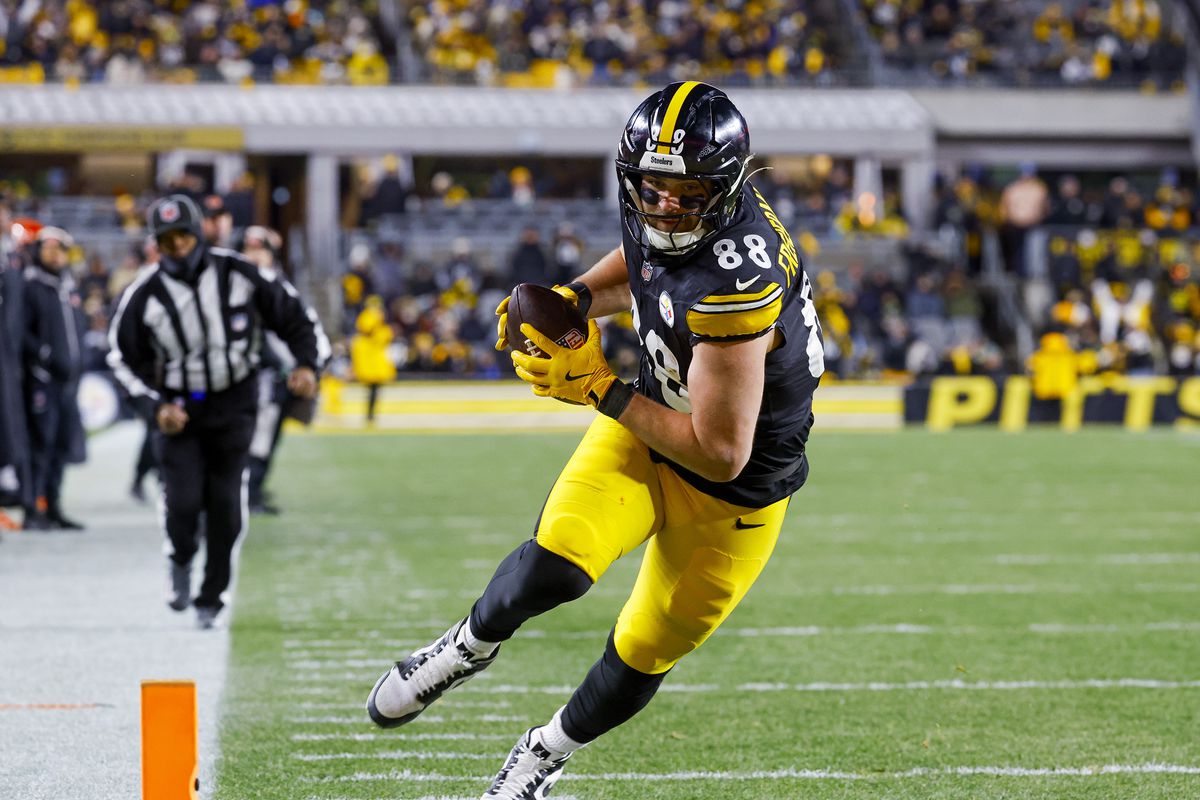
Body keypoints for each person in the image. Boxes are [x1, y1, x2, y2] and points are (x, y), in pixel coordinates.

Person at [366, 81, 825, 798]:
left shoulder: (741, 282)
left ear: (726, 190)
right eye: (653, 188)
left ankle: (543, 753)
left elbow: (718, 450)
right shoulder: (664, 200)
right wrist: (574, 297)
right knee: (562, 562)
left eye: (686, 194)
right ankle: (464, 647)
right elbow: (643, 266)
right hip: (650, 435)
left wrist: (601, 390)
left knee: (642, 649)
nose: (665, 207)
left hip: (736, 488)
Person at [107, 195, 328, 629]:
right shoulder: (145, 293)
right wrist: (154, 406)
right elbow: (121, 358)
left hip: (234, 402)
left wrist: (306, 364)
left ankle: (212, 595)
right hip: (179, 408)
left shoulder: (240, 273)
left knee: (226, 504)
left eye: (184, 236)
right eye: (167, 240)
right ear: (156, 244)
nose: (178, 247)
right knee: (184, 501)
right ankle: (181, 557)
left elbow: (298, 318)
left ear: (200, 233)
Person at [21, 226, 87, 531]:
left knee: (61, 445)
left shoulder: (68, 288)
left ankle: (54, 506)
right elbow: (21, 333)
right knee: (41, 444)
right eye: (48, 249)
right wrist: (44, 358)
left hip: (68, 382)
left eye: (59, 250)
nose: (54, 255)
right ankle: (33, 508)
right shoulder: (31, 287)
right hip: (43, 381)